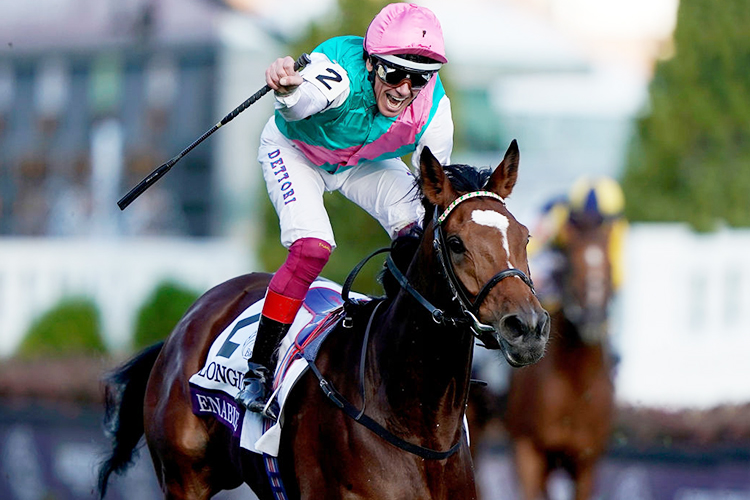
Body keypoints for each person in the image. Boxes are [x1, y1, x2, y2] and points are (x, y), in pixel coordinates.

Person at [235, 3, 454, 417]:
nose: (405, 89)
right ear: (370, 63)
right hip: (296, 152)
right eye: (394, 73)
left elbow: (434, 189)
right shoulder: (338, 71)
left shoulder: (435, 110)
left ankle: (398, 343)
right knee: (313, 247)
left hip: (361, 163)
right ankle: (259, 367)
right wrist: (287, 89)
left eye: (419, 78)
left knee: (422, 233)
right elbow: (304, 98)